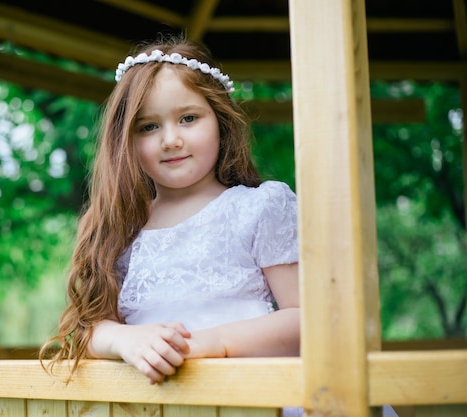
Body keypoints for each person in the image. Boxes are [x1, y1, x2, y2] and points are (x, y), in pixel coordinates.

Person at [39, 33, 398, 417]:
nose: (171, 140)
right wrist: (124, 339)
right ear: (124, 141)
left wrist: (215, 343)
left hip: (253, 401)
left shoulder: (257, 207)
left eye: (188, 118)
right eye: (148, 127)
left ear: (220, 122)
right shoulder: (122, 227)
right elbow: (88, 329)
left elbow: (307, 320)